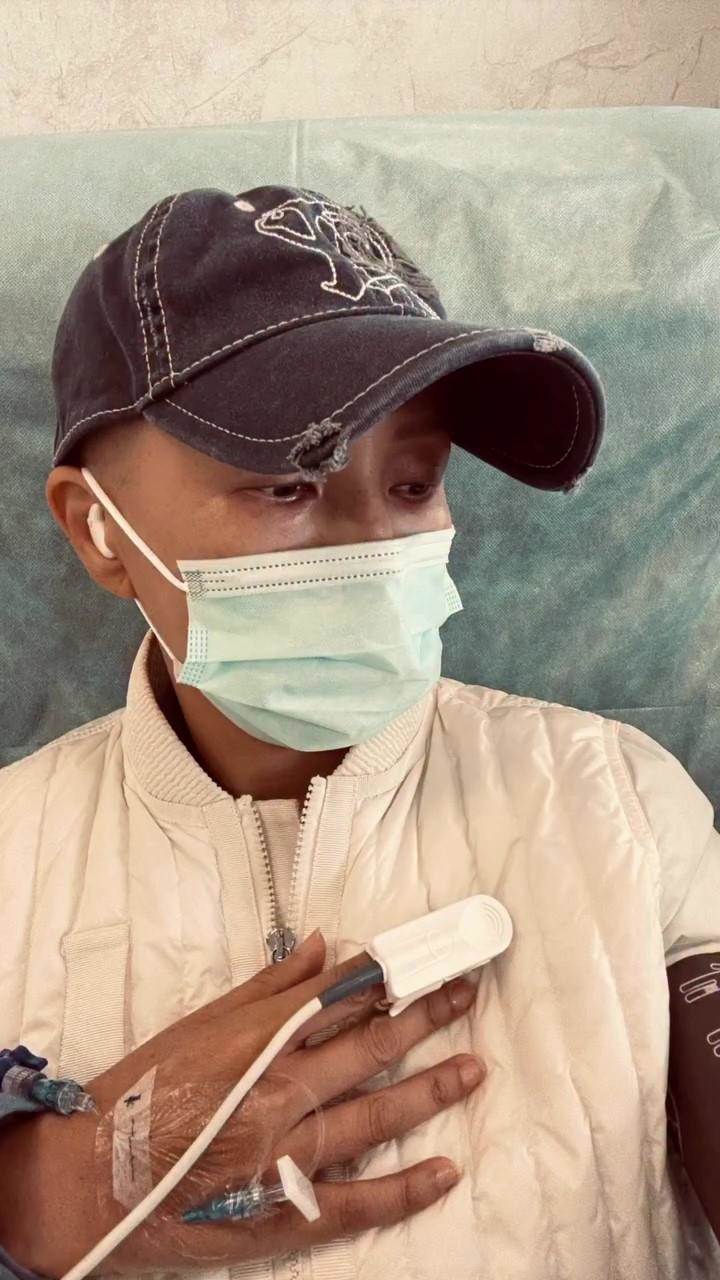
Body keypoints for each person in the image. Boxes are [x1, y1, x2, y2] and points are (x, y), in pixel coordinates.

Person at [1, 183, 719, 1280]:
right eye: (289, 482)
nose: (377, 548)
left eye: (415, 481)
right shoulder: (14, 853)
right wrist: (38, 1197)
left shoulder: (614, 798)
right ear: (98, 529)